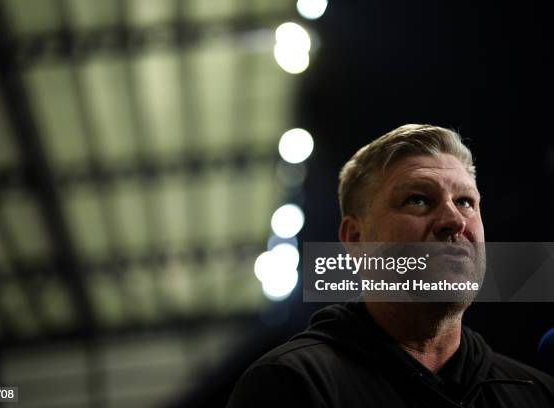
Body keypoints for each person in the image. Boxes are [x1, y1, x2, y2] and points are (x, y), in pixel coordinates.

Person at [227, 124, 554, 407]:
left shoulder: (537, 393)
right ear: (356, 238)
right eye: (418, 199)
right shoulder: (292, 385)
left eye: (465, 202)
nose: (454, 220)